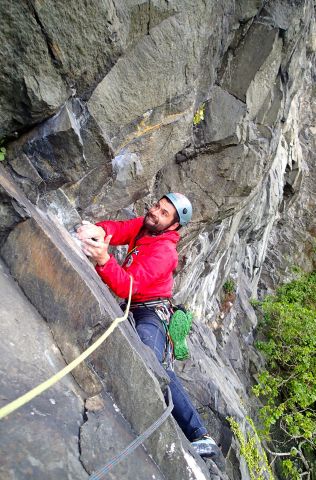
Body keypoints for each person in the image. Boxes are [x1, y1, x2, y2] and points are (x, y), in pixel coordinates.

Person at [76, 193, 224, 467]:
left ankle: (199, 434)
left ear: (174, 226)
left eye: (165, 213)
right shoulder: (146, 226)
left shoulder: (165, 252)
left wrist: (103, 260)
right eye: (158, 205)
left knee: (151, 359)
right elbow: (119, 230)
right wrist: (100, 230)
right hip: (134, 306)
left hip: (151, 313)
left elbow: (127, 287)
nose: (155, 211)